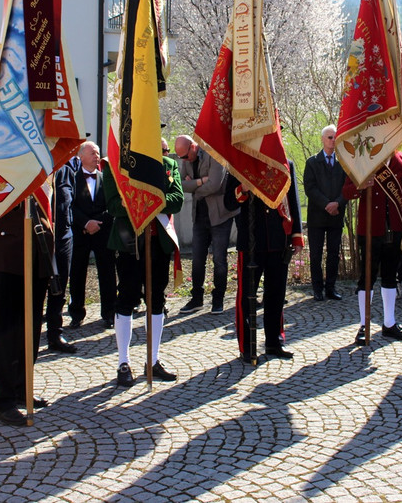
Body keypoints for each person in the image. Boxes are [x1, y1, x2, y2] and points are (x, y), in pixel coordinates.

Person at [103, 145, 184, 387]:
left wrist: (147, 201)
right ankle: (123, 362)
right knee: (126, 300)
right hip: (130, 244)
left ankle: (154, 359)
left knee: (157, 301)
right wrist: (153, 201)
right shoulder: (116, 166)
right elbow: (114, 205)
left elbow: (177, 200)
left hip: (158, 244)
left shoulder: (169, 166)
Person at [0, 187, 57, 426]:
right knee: (6, 330)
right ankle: (3, 398)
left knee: (32, 326)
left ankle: (22, 388)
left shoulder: (41, 162)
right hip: (10, 250)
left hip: (38, 249)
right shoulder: (4, 158)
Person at [226, 161, 304, 362]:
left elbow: (292, 199)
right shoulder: (241, 161)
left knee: (276, 294)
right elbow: (229, 201)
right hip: (252, 240)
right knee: (247, 296)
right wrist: (243, 189)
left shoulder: (286, 163)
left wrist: (296, 235)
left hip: (279, 238)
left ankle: (274, 341)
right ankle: (247, 345)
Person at [341, 151, 402, 345]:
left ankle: (389, 323)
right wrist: (360, 186)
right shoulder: (362, 155)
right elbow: (346, 191)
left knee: (390, 275)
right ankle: (363, 324)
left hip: (395, 227)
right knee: (366, 277)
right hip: (370, 228)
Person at [175, 134, 237, 314]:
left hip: (220, 215)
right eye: (181, 158)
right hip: (200, 215)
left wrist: (195, 186)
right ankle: (196, 299)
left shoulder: (214, 153)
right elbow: (181, 183)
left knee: (219, 259)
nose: (184, 160)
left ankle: (218, 300)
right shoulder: (186, 158)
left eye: (185, 156)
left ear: (193, 147)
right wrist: (202, 181)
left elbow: (215, 185)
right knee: (197, 259)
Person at [68, 141, 116, 328]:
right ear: (81, 156)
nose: (97, 156)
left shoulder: (105, 178)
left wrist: (98, 222)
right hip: (81, 233)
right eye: (92, 153)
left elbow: (111, 204)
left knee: (107, 273)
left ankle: (109, 312)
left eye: (97, 153)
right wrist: (86, 223)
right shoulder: (72, 178)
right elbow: (70, 205)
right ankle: (76, 313)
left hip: (103, 233)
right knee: (78, 273)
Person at [303, 125, 348, 301]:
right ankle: (317, 289)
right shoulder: (312, 162)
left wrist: (337, 203)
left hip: (336, 215)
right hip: (317, 217)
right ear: (322, 139)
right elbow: (310, 188)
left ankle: (331, 287)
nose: (332, 141)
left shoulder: (343, 163)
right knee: (315, 255)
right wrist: (326, 204)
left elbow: (347, 187)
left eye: (335, 137)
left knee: (333, 254)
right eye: (329, 137)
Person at [44, 159, 77, 354]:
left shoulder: (65, 171)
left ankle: (55, 335)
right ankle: (27, 335)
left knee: (59, 290)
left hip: (64, 237)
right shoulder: (33, 167)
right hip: (39, 239)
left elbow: (71, 202)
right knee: (37, 289)